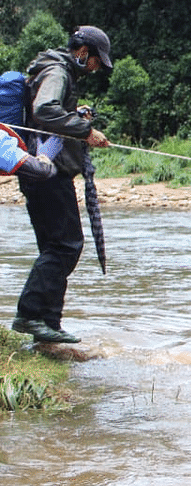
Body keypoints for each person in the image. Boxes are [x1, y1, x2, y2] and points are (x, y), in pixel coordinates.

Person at [10, 26, 112, 345]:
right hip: (46, 169)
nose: (96, 67)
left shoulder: (56, 69)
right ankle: (29, 316)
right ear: (82, 52)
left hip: (39, 166)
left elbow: (46, 113)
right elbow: (44, 110)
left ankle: (47, 324)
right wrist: (84, 130)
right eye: (96, 60)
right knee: (66, 245)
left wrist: (76, 115)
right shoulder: (57, 70)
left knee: (54, 246)